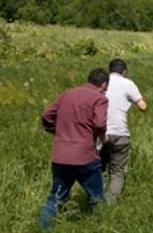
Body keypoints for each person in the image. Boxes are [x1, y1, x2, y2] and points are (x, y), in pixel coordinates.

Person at [39, 68, 109, 229]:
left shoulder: (67, 94)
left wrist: (56, 131)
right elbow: (99, 124)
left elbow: (46, 115)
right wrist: (104, 139)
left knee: (55, 198)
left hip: (60, 156)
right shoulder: (100, 98)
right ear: (104, 84)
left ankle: (42, 228)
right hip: (85, 156)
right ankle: (103, 227)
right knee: (96, 198)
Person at [100, 59, 147, 204]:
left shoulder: (102, 83)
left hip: (100, 132)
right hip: (120, 133)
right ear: (124, 72)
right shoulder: (128, 83)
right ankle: (109, 205)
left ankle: (94, 201)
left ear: (110, 70)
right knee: (117, 172)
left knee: (99, 167)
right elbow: (143, 106)